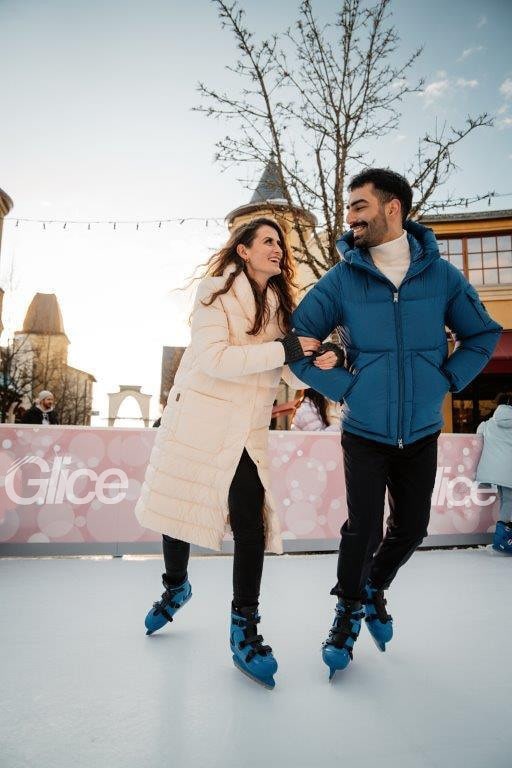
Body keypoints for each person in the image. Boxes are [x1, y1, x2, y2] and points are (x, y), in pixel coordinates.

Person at [289, 168, 502, 679]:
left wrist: (446, 381)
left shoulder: (442, 276)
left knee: (411, 528)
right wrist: (346, 388)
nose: (350, 218)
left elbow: (482, 335)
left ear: (392, 208)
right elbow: (296, 341)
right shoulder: (341, 279)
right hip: (364, 430)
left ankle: (372, 590)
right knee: (360, 528)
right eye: (348, 209)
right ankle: (346, 617)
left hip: (422, 429)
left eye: (359, 206)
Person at [135, 216, 340, 688]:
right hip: (199, 421)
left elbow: (286, 371)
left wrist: (318, 360)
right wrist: (284, 350)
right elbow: (216, 360)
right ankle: (175, 587)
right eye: (268, 240)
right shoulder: (214, 292)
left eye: (281, 244)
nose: (278, 249)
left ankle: (244, 628)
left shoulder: (280, 306)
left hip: (245, 431)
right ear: (243, 250)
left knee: (252, 524)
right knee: (177, 508)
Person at [476, 393, 512, 554]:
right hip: (509, 469)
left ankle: (502, 541)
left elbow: (478, 435)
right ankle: (502, 542)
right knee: (508, 502)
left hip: (496, 471)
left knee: (506, 500)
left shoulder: (488, 424)